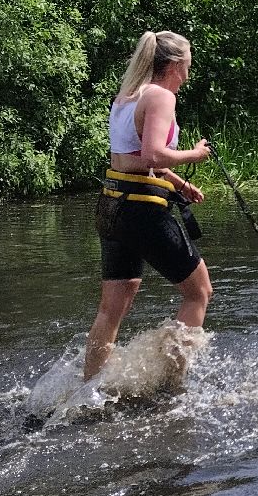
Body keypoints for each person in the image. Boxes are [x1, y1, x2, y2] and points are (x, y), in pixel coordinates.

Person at [84, 30, 214, 380]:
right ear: (174, 65)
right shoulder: (161, 97)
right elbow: (154, 154)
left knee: (111, 309)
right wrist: (195, 154)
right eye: (187, 67)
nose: (187, 77)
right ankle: (170, 384)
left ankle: (88, 388)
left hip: (112, 206)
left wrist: (179, 183)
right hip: (141, 210)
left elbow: (129, 158)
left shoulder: (126, 96)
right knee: (199, 293)